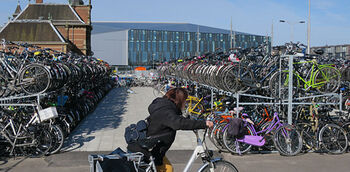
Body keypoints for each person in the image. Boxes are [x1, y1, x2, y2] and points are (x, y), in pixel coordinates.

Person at [127, 88, 213, 172]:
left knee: (168, 168)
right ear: (180, 100)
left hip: (152, 147)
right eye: (185, 101)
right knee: (168, 169)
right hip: (149, 151)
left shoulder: (163, 106)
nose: (185, 104)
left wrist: (189, 120)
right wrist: (203, 124)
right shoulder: (166, 111)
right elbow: (178, 123)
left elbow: (175, 118)